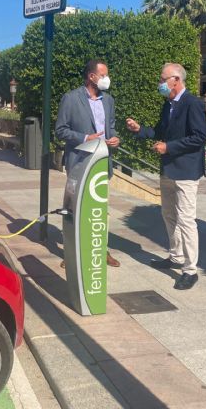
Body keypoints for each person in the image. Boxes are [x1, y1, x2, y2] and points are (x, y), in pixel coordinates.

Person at [125, 63, 206, 290]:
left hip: (186, 172)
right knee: (168, 214)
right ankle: (176, 256)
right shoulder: (168, 104)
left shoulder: (193, 103)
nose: (160, 83)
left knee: (186, 220)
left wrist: (169, 147)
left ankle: (190, 270)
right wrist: (139, 129)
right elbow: (159, 132)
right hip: (168, 169)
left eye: (163, 79)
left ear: (176, 80)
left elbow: (200, 137)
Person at [55, 59, 121, 268]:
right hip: (78, 162)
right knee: (76, 208)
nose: (106, 79)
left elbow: (111, 126)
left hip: (101, 162)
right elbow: (60, 130)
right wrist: (85, 138)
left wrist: (115, 138)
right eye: (103, 75)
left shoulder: (108, 100)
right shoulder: (71, 98)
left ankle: (101, 250)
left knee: (100, 209)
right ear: (92, 77)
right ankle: (72, 253)